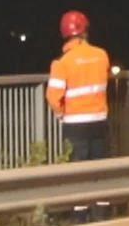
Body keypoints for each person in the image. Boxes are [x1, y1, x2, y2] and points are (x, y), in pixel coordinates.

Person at [46, 10, 111, 162]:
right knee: (101, 169)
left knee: (76, 173)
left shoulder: (61, 62)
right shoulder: (102, 55)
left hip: (75, 125)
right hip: (100, 121)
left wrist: (60, 114)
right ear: (86, 30)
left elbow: (53, 97)